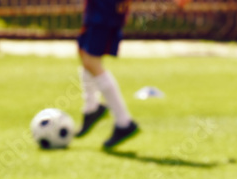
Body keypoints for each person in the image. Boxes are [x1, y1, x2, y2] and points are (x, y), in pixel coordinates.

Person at [75, 0, 188, 149]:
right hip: (96, 9)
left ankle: (124, 123)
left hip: (105, 12)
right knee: (84, 54)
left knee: (92, 62)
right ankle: (92, 108)